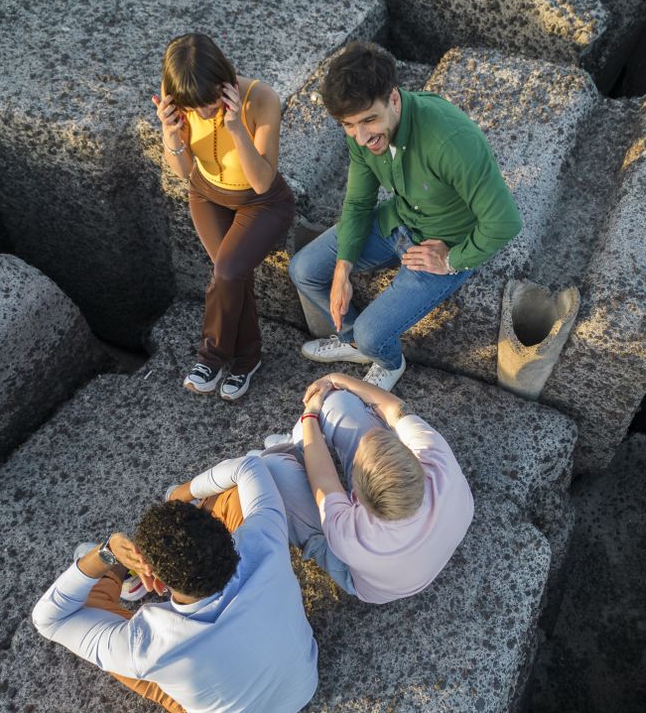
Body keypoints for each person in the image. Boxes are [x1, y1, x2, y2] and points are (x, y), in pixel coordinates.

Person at [288, 41, 522, 391]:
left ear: (394, 99)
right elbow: (357, 203)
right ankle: (352, 344)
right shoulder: (361, 133)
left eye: (369, 120)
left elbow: (505, 221)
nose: (362, 137)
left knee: (373, 334)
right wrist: (344, 267)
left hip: (441, 244)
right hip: (396, 222)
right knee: (303, 270)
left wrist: (453, 259)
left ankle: (388, 361)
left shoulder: (451, 141)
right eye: (349, 125)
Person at [32, 454, 318, 713]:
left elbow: (49, 618)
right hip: (303, 686)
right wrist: (180, 496)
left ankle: (117, 568)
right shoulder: (267, 537)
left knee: (96, 621)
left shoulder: (143, 647)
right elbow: (248, 466)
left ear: (156, 580)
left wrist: (104, 553)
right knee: (231, 493)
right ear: (221, 533)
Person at [155, 32, 295, 400]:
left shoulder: (261, 99)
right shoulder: (184, 98)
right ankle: (247, 360)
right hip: (206, 195)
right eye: (194, 106)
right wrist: (171, 135)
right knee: (232, 275)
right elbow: (184, 171)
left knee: (227, 271)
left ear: (225, 80)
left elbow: (263, 182)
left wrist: (235, 127)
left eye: (210, 101)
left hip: (261, 202)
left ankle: (212, 356)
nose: (204, 112)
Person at [260, 372, 474, 603]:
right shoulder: (437, 458)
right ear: (412, 460)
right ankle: (301, 439)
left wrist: (310, 415)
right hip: (428, 550)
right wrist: (335, 379)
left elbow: (324, 479)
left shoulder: (349, 533)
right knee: (338, 401)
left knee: (270, 470)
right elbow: (395, 409)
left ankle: (293, 444)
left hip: (372, 587)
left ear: (355, 495)